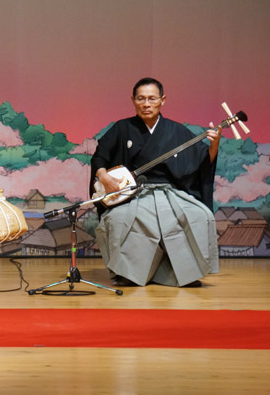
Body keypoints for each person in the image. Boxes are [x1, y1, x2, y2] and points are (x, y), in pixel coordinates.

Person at [90, 77, 221, 287]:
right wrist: (104, 177)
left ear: (163, 100)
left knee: (199, 215)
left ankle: (186, 273)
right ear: (132, 100)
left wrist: (214, 146)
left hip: (170, 191)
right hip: (134, 192)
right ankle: (128, 273)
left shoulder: (176, 131)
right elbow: (100, 156)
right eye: (141, 98)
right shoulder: (122, 128)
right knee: (119, 218)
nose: (146, 104)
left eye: (152, 98)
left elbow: (201, 161)